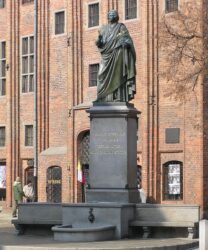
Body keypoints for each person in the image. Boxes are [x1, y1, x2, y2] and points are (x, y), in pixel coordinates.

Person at [96, 10, 136, 102]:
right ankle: (102, 97)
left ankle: (118, 97)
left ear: (116, 16)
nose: (111, 16)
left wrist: (125, 43)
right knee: (100, 75)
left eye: (113, 14)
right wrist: (99, 40)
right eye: (109, 14)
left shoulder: (121, 27)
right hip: (106, 56)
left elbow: (127, 39)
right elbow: (100, 44)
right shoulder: (104, 29)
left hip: (118, 55)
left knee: (118, 75)